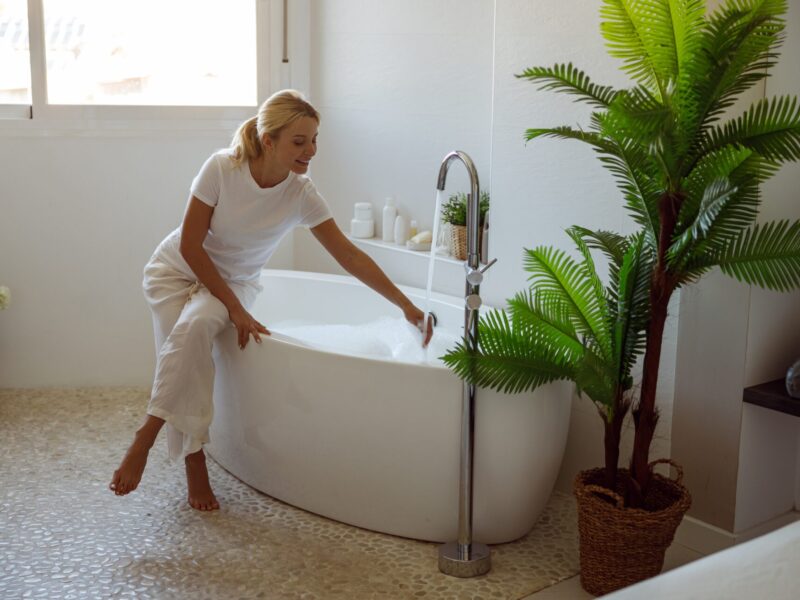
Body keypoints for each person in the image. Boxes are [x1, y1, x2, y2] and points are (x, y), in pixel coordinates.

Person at [109, 89, 434, 511]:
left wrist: (406, 305)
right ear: (269, 140)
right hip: (175, 270)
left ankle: (145, 436)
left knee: (196, 327)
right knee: (187, 353)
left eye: (315, 139)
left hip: (233, 281)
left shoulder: (301, 194)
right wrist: (237, 310)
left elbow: (349, 255)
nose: (311, 150)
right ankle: (192, 466)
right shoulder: (222, 168)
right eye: (299, 141)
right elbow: (191, 246)